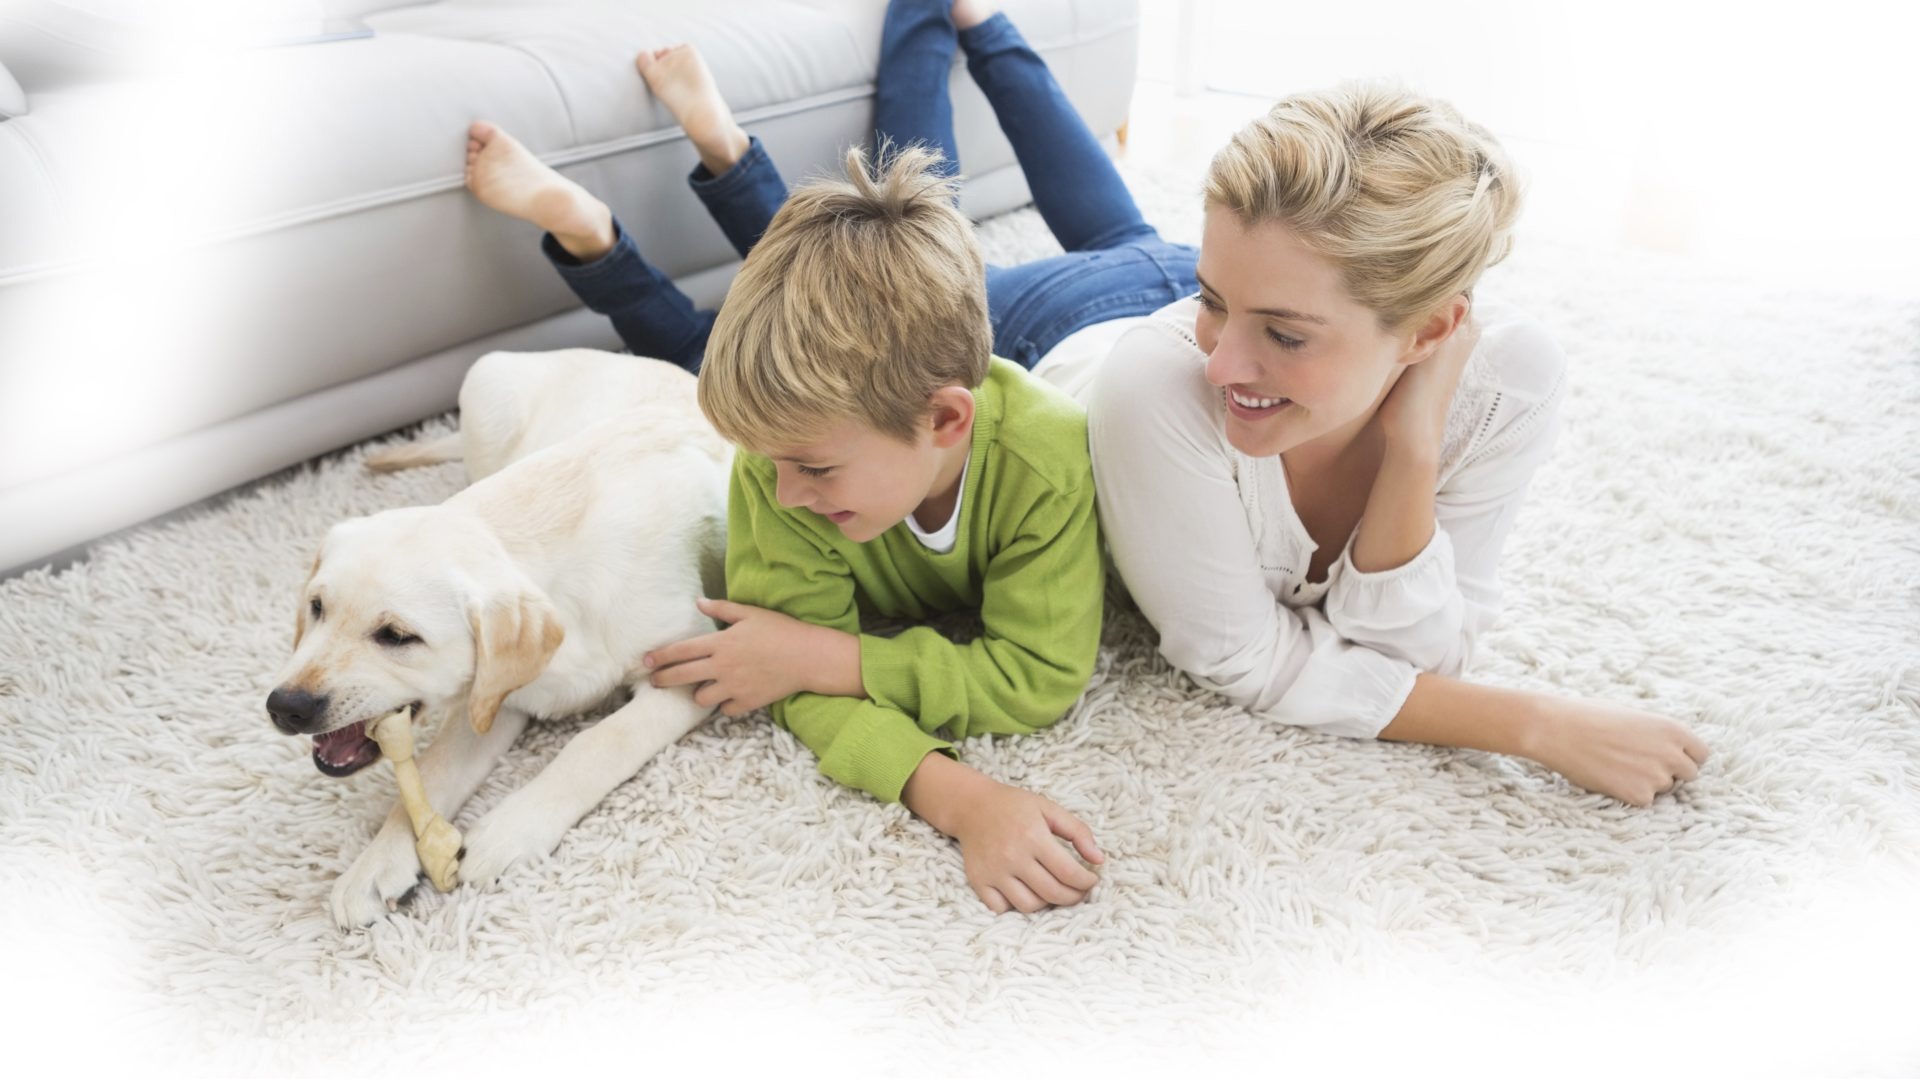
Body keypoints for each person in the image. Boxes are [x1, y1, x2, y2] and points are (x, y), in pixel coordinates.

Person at [1082, 84, 1712, 807]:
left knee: (1109, 226)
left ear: (1431, 334)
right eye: (1212, 301)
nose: (1220, 364)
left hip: (1229, 281)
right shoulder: (1158, 382)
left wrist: (1413, 446)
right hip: (1079, 321)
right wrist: (1536, 725)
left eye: (1286, 335)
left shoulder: (1510, 384)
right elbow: (1240, 657)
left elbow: (1426, 653)